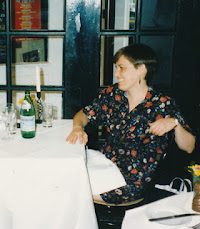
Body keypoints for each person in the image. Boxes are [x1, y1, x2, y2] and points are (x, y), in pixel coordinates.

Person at [66, 43, 195, 204]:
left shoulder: (162, 104)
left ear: (141, 69)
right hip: (104, 164)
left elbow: (189, 146)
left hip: (134, 179)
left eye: (122, 68)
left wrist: (175, 124)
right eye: (116, 68)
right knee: (67, 180)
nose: (116, 73)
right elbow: (84, 114)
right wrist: (78, 127)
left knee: (75, 193)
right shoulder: (112, 95)